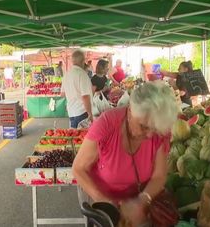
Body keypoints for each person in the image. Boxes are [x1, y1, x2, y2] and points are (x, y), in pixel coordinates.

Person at [73, 81, 178, 226]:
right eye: (144, 127)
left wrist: (143, 200)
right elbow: (79, 168)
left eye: (154, 129)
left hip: (138, 208)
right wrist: (106, 203)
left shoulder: (158, 132)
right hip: (104, 202)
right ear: (130, 111)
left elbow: (159, 176)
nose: (149, 135)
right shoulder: (106, 125)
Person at [61, 50, 93, 128]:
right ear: (83, 61)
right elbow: (85, 96)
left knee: (73, 136)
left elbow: (62, 94)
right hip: (82, 112)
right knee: (82, 137)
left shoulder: (66, 75)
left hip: (71, 112)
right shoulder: (82, 74)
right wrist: (90, 113)